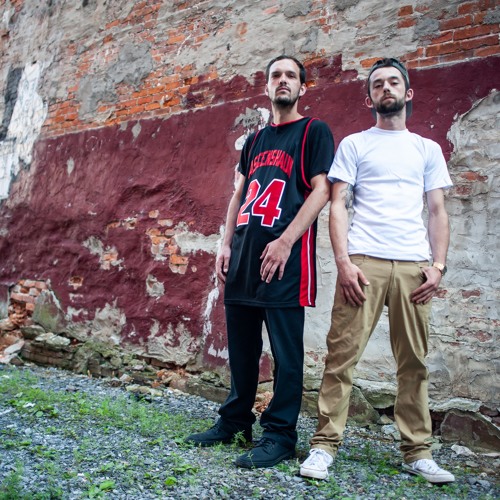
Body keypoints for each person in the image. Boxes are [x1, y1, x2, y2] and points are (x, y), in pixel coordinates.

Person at [299, 58, 455, 484]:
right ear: (368, 99)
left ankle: (417, 453)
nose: (386, 88)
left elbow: (437, 210)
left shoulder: (426, 149)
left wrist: (438, 266)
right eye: (378, 84)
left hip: (413, 268)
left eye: (394, 82)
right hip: (364, 263)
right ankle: (323, 446)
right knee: (341, 358)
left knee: (414, 363)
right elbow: (337, 205)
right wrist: (344, 262)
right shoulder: (355, 144)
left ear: (408, 93)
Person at [185, 55, 335, 468]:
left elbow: (322, 191)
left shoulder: (314, 131)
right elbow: (239, 193)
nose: (283, 80)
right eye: (275, 75)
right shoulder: (254, 140)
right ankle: (235, 421)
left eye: (291, 75)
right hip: (244, 255)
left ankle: (281, 436)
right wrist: (225, 244)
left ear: (302, 87)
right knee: (242, 348)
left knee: (286, 355)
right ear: (266, 87)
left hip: (284, 259)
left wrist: (286, 241)